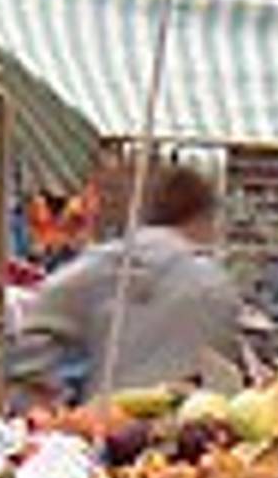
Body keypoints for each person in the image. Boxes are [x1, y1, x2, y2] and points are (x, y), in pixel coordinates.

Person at [14, 156, 251, 395]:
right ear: (202, 218)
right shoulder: (217, 286)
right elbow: (226, 382)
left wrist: (45, 403)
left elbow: (35, 333)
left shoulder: (105, 264)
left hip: (100, 424)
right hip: (187, 427)